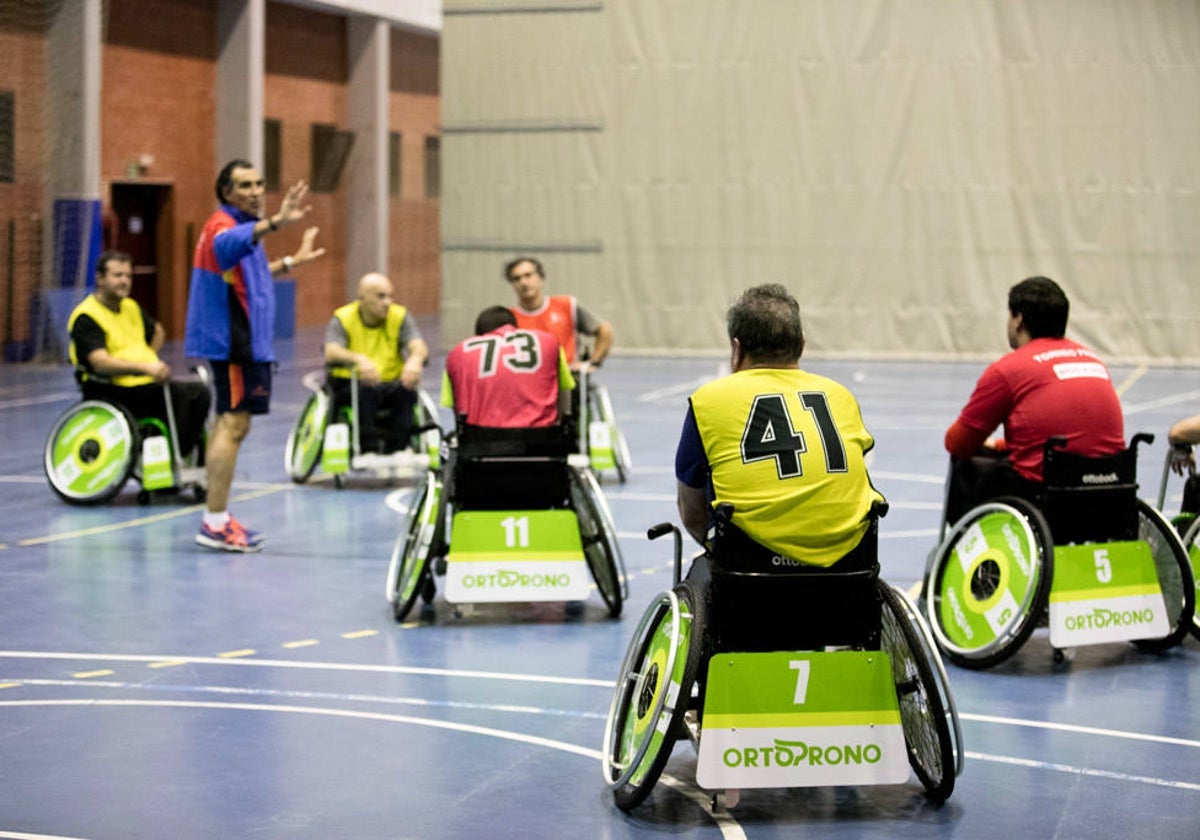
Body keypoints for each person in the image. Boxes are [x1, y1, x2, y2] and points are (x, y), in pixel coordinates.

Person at [675, 284, 884, 567]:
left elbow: (691, 512)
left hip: (750, 573)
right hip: (847, 569)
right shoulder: (840, 396)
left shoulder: (707, 401)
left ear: (736, 349)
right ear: (802, 344)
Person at [184, 159, 325, 552]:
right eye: (245, 185)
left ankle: (218, 517)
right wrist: (278, 221)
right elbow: (224, 246)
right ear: (226, 192)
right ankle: (214, 522)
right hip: (234, 343)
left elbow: (255, 274)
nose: (255, 191)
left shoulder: (244, 232)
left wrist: (294, 261)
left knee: (231, 425)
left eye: (260, 183)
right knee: (232, 425)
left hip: (245, 344)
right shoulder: (223, 227)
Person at [942, 276, 1125, 524]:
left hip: (1047, 498)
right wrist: (1001, 446)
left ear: (1018, 320)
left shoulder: (1009, 369)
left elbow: (957, 443)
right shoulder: (1092, 360)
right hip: (1109, 490)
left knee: (966, 467)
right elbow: (1073, 440)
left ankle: (971, 556)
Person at [68, 250, 210, 461]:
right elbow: (99, 362)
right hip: (111, 388)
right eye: (118, 275)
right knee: (185, 395)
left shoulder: (130, 307)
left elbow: (158, 331)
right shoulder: (87, 316)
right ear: (99, 278)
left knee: (199, 392)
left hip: (141, 384)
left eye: (128, 276)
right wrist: (145, 367)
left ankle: (180, 452)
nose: (125, 281)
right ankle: (171, 457)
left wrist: (147, 355)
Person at [324, 273, 428, 453]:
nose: (387, 302)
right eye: (380, 296)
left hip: (390, 382)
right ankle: (367, 448)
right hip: (352, 383)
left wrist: (415, 360)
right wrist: (359, 359)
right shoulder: (343, 318)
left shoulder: (399, 316)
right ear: (362, 298)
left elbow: (418, 345)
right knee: (364, 392)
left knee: (407, 390)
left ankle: (398, 448)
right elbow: (331, 351)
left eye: (390, 296)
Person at [442, 306, 574, 428]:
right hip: (542, 440)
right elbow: (565, 394)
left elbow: (455, 408)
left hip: (480, 443)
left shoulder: (457, 354)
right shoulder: (550, 343)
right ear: (516, 328)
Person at [503, 256, 612, 370]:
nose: (523, 282)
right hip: (529, 381)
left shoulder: (566, 305)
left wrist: (593, 363)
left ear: (540, 277)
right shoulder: (509, 318)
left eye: (528, 275)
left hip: (567, 380)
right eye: (517, 278)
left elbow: (605, 330)